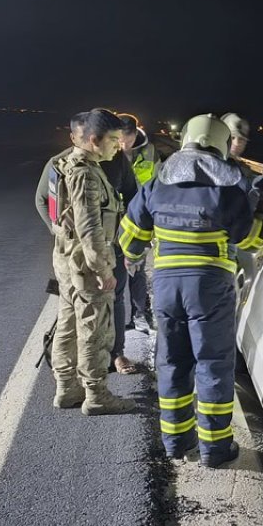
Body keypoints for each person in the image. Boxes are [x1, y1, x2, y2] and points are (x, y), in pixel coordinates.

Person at [118, 114, 257, 467]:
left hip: (167, 287)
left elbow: (131, 240)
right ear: (222, 145)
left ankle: (176, 444)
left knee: (173, 363)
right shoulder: (228, 187)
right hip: (211, 288)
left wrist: (134, 258)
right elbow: (253, 238)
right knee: (212, 365)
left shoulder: (158, 184)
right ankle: (215, 449)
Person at [48, 108, 135, 415]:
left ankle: (66, 389)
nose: (118, 146)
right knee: (94, 329)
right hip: (86, 264)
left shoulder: (67, 164)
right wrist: (103, 268)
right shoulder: (85, 173)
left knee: (69, 325)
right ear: (94, 140)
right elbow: (89, 226)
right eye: (113, 140)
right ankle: (96, 395)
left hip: (68, 259)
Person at [96, 109, 144, 374]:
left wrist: (131, 239)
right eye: (113, 139)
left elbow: (134, 197)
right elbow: (45, 200)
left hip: (113, 244)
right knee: (82, 301)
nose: (119, 145)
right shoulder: (64, 163)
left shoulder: (118, 162)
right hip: (80, 250)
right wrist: (59, 232)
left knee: (115, 298)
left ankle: (117, 353)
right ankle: (86, 358)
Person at [220, 113, 263, 280]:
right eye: (232, 137)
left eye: (240, 139)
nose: (236, 143)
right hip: (221, 254)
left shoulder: (238, 169)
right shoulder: (225, 170)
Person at [117, 113, 156, 331]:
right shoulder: (109, 151)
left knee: (136, 269)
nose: (123, 144)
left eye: (127, 139)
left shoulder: (149, 152)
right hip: (116, 218)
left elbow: (157, 183)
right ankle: (118, 317)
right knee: (117, 270)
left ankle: (140, 313)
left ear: (134, 134)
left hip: (140, 219)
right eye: (120, 139)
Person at [35, 112, 89, 234]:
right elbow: (41, 199)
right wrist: (54, 228)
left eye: (90, 137)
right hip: (72, 241)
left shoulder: (110, 159)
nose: (87, 143)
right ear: (73, 138)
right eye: (82, 138)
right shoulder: (57, 163)